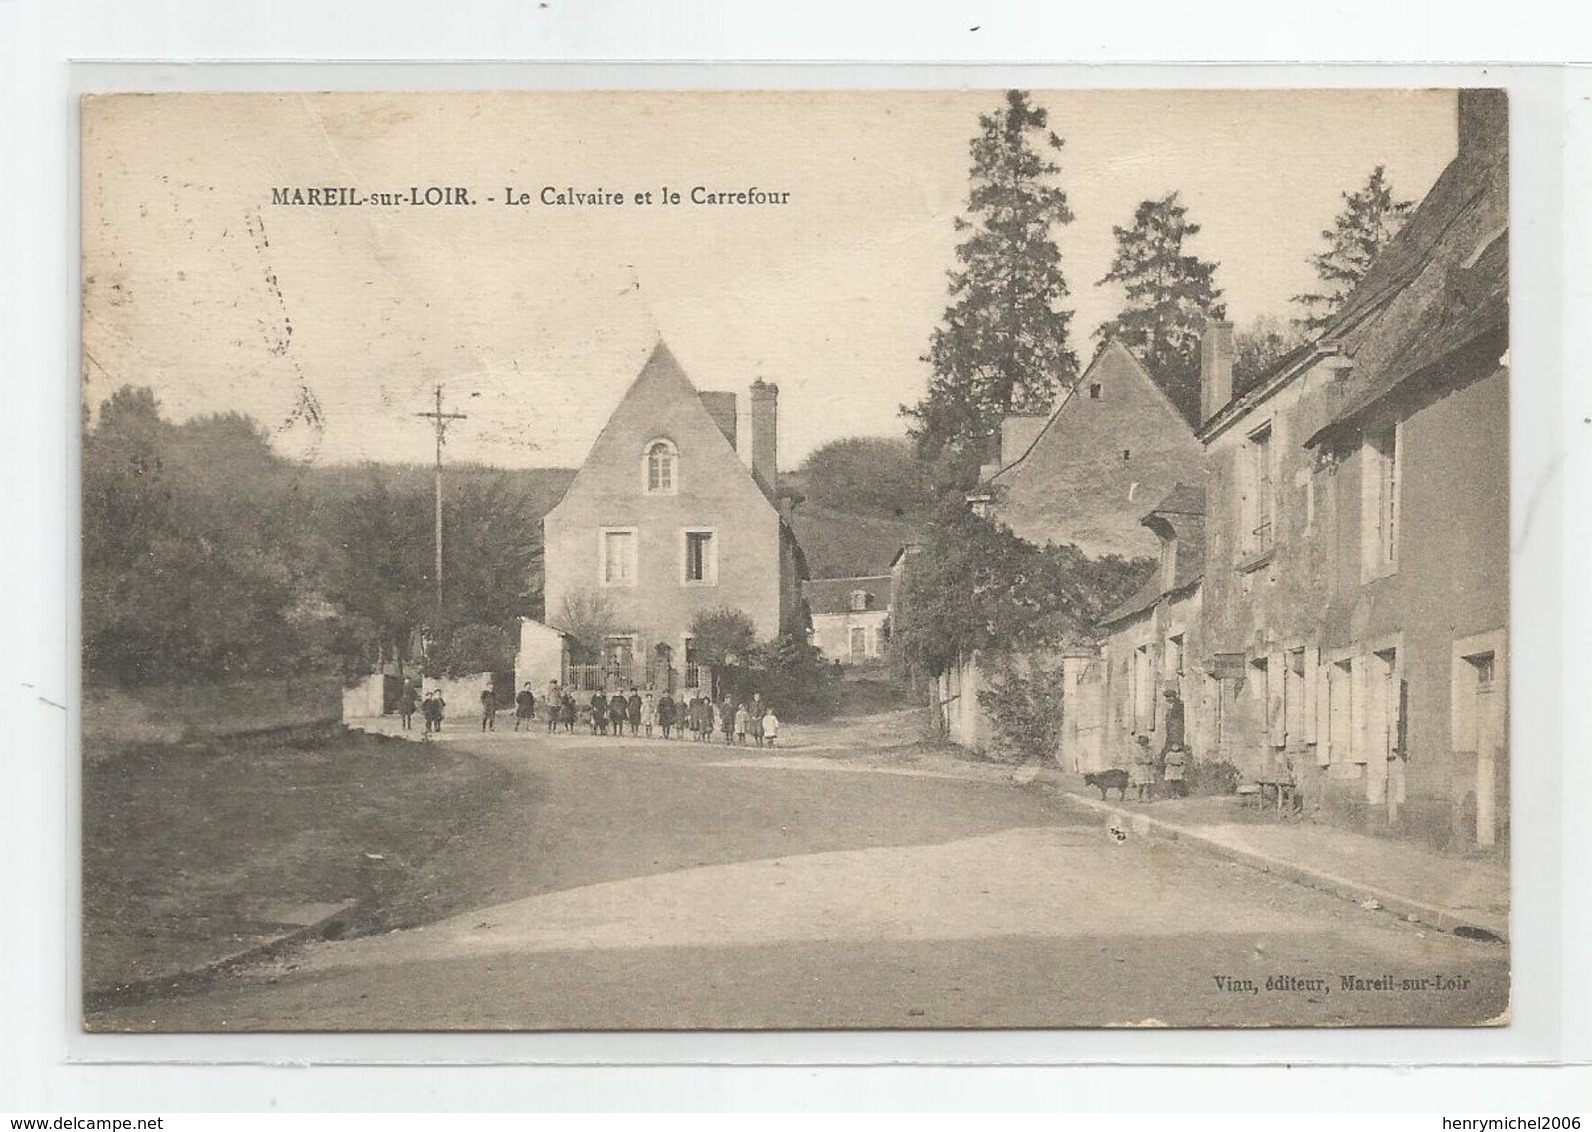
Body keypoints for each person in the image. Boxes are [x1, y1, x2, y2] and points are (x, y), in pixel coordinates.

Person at [1161, 687, 1188, 798]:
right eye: (1166, 697)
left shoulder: (1178, 706)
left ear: (1173, 697)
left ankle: (1175, 792)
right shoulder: (1171, 707)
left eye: (1169, 697)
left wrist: (1174, 740)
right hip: (1170, 736)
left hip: (1174, 736)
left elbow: (1176, 724)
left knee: (1175, 770)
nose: (1167, 699)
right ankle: (1169, 792)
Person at [1130, 734, 1156, 802]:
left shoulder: (1150, 750)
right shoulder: (1137, 750)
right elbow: (1136, 759)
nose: (1144, 745)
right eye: (1142, 743)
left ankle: (1147, 797)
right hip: (1140, 768)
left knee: (1148, 784)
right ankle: (1139, 797)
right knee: (1140, 784)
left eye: (1145, 743)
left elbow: (1153, 757)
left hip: (1148, 768)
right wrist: (1144, 761)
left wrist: (1151, 760)